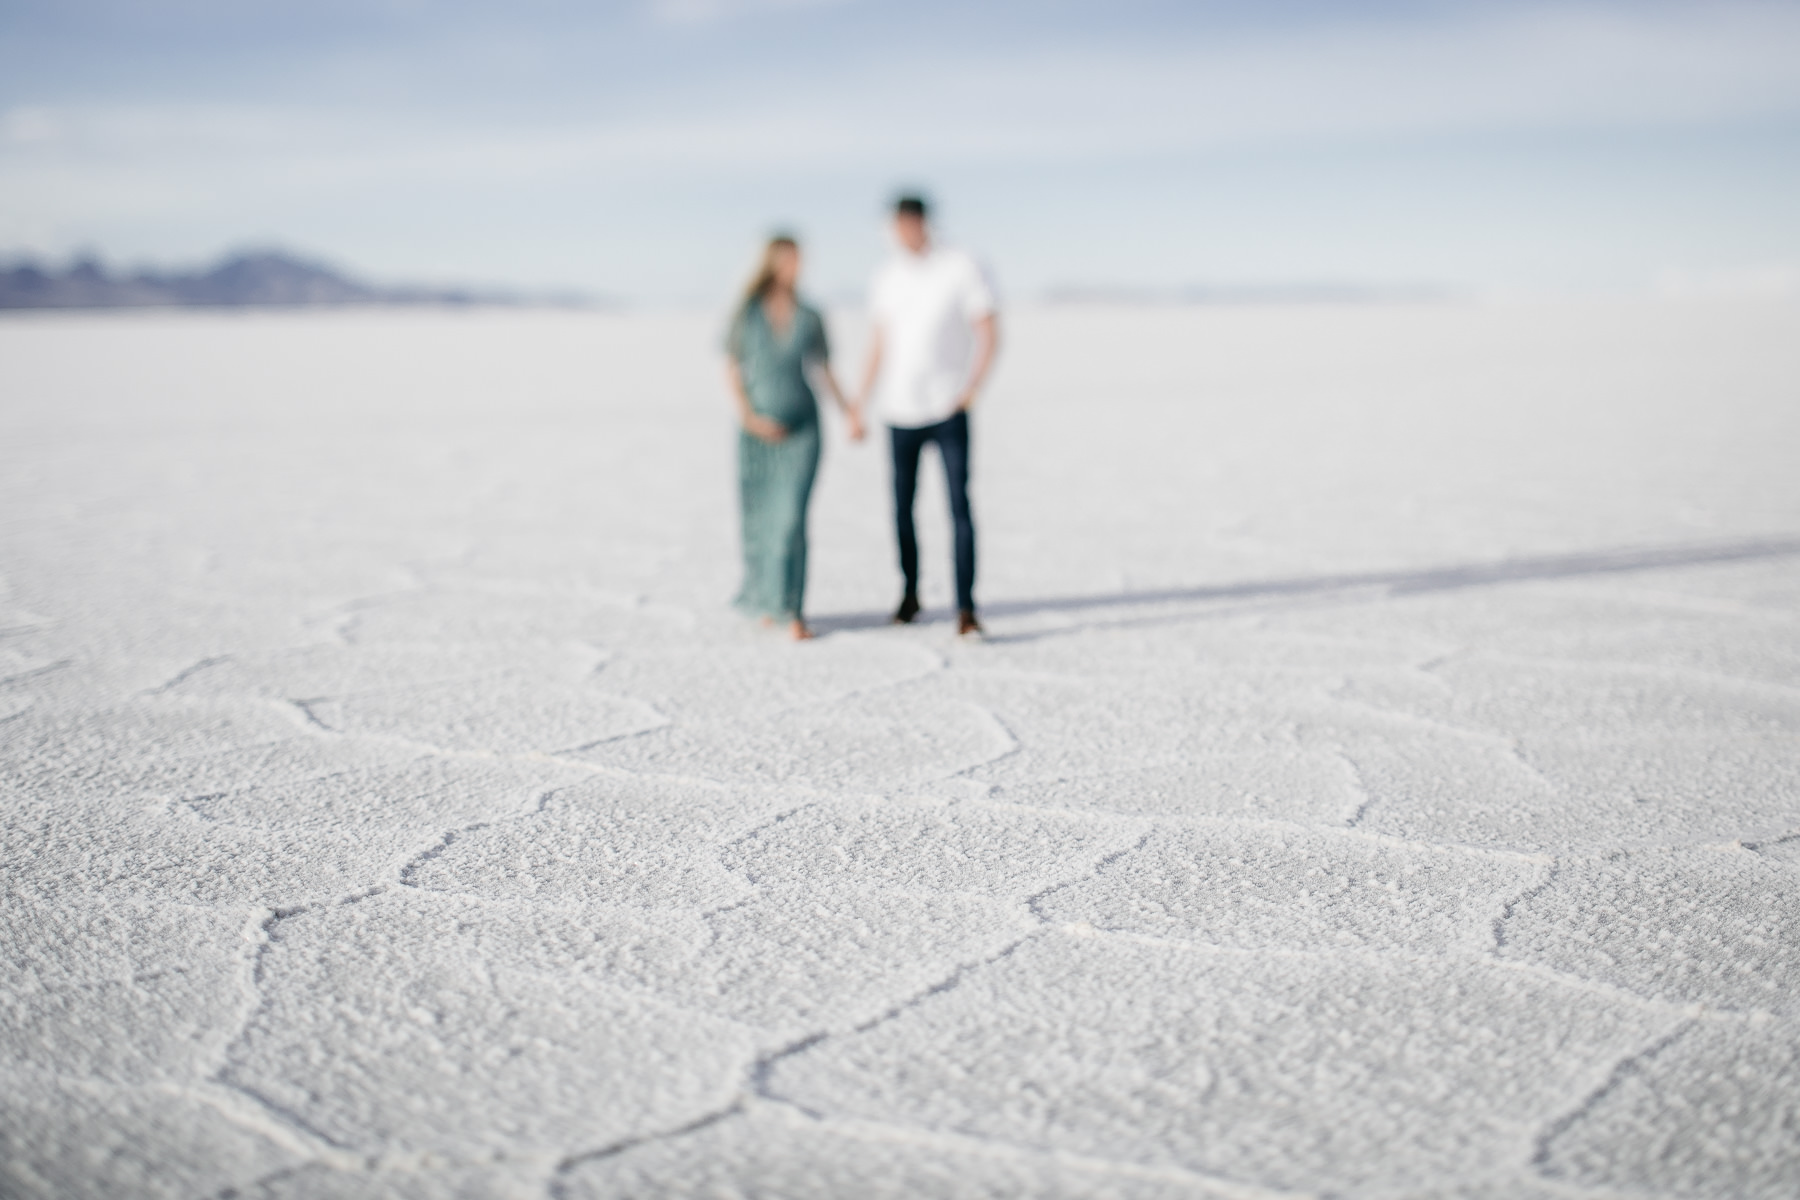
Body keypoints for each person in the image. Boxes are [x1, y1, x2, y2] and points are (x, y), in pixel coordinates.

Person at [857, 195, 999, 637]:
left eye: (910, 224)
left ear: (924, 223)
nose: (904, 233)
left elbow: (988, 330)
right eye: (896, 226)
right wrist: (859, 402)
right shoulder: (887, 276)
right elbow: (879, 343)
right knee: (902, 508)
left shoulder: (960, 265)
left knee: (959, 505)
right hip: (899, 410)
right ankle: (910, 593)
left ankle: (965, 607)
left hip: (947, 406)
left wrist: (971, 387)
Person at [725, 234, 862, 640]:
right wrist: (750, 416)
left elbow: (824, 368)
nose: (796, 268)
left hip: (803, 429)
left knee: (791, 520)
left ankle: (794, 609)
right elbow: (733, 368)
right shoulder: (747, 313)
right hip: (758, 434)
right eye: (788, 261)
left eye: (799, 261)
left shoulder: (809, 314)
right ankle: (768, 600)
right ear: (771, 263)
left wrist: (849, 411)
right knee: (763, 520)